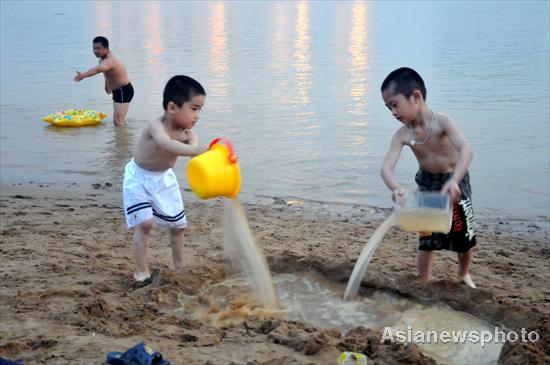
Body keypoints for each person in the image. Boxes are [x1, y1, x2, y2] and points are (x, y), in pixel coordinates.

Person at [379, 67, 477, 288]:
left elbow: (466, 151)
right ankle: (424, 280)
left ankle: (463, 274)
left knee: (463, 238)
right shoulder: (403, 134)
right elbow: (386, 168)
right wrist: (396, 188)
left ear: (416, 97)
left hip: (455, 182)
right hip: (427, 184)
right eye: (388, 108)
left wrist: (454, 180)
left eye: (395, 105)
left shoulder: (443, 123)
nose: (393, 113)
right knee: (427, 239)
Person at [123, 75, 208, 281]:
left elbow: (195, 158)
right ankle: (141, 272)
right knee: (145, 224)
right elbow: (167, 144)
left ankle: (180, 267)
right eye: (193, 108)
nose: (197, 115)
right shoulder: (155, 126)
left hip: (164, 180)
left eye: (200, 110)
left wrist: (218, 158)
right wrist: (197, 151)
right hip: (138, 178)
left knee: (178, 227)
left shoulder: (189, 135)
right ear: (172, 107)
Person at [74, 36, 133, 126]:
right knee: (120, 120)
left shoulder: (109, 60)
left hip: (123, 90)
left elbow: (97, 70)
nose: (95, 51)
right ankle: (125, 136)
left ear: (106, 48)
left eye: (98, 48)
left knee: (117, 121)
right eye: (94, 48)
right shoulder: (102, 58)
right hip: (118, 91)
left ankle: (122, 139)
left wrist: (83, 75)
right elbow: (106, 71)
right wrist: (107, 84)